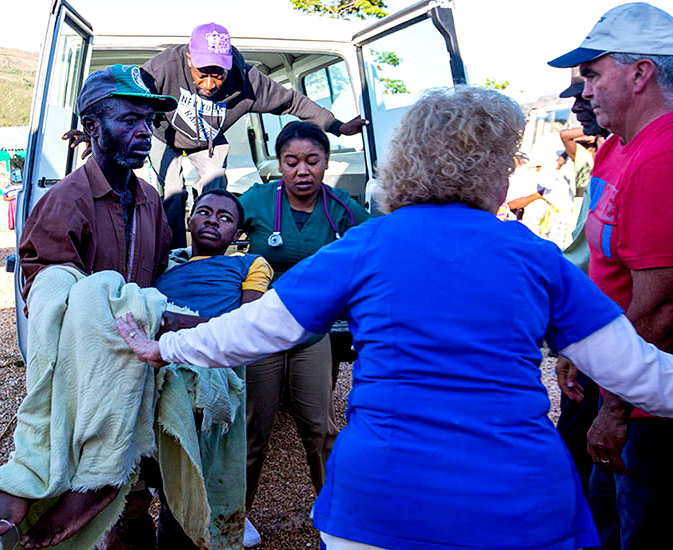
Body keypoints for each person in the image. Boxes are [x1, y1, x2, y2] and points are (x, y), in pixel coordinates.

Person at [117, 86, 673, 550]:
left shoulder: (364, 245)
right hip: (521, 504)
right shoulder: (536, 257)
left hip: (379, 504)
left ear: (408, 161)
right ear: (493, 172)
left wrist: (162, 348)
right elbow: (642, 376)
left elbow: (254, 330)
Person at [0, 64, 176, 549]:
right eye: (128, 120)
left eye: (148, 122)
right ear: (93, 127)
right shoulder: (66, 202)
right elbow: (50, 300)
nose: (143, 132)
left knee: (149, 478)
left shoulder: (150, 199)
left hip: (145, 364)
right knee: (106, 483)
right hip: (93, 378)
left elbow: (161, 275)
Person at [66, 22, 369, 249]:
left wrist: (336, 125)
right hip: (166, 135)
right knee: (172, 191)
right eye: (203, 73)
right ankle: (177, 254)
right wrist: (97, 135)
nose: (210, 82)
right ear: (188, 59)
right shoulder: (163, 67)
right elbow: (125, 97)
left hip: (208, 141)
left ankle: (211, 251)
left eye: (218, 74)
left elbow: (292, 101)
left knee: (215, 182)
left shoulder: (247, 80)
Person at [548, 3, 673, 548]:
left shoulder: (661, 158)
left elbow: (660, 308)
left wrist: (616, 410)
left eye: (594, 73)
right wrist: (580, 348)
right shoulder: (619, 150)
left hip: (649, 406)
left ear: (641, 72)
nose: (586, 90)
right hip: (618, 380)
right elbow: (606, 272)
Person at [237, 120, 369, 546]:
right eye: (291, 161)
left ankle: (336, 514)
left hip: (313, 332)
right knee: (254, 428)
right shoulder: (257, 201)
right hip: (263, 330)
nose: (302, 170)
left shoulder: (343, 208)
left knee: (320, 426)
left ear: (327, 163)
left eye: (312, 160)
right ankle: (234, 514)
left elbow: (378, 241)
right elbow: (217, 228)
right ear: (280, 164)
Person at [151, 188, 272, 549]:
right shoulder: (164, 264)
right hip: (159, 367)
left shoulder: (250, 265)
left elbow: (245, 325)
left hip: (212, 371)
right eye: (204, 212)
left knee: (198, 475)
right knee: (163, 477)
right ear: (188, 220)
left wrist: (181, 323)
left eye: (224, 218)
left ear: (236, 235)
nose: (211, 221)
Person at [551, 68, 611, 497]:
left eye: (589, 89)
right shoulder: (609, 154)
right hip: (593, 328)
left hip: (613, 330)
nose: (579, 103)